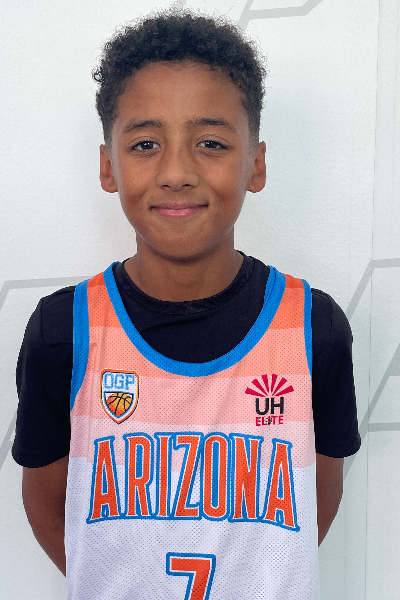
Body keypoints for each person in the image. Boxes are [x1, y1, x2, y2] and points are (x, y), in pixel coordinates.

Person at [12, 9, 360, 600]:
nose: (176, 172)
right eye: (146, 144)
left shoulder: (312, 327)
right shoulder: (62, 330)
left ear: (255, 164)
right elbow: (50, 505)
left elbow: (313, 502)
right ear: (109, 166)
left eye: (211, 143)